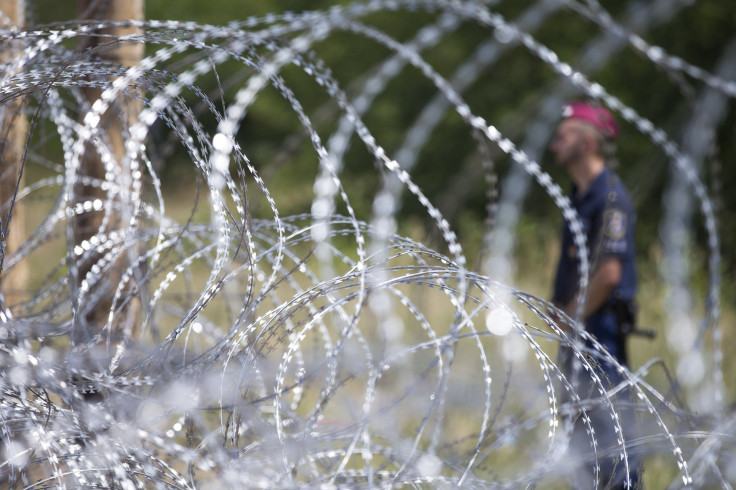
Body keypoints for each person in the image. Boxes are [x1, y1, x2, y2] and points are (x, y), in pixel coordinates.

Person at [548, 100, 640, 489]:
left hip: (599, 338)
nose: (554, 144)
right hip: (578, 336)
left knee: (611, 446)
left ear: (586, 144)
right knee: (581, 448)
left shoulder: (611, 198)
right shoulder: (578, 195)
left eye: (562, 136)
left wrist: (570, 314)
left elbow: (608, 273)